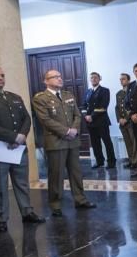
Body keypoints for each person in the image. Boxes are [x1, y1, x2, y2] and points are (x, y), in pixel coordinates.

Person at [0, 66, 45, 233]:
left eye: (2, 75)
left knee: (22, 183)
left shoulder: (14, 97)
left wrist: (21, 136)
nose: (0, 78)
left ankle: (27, 212)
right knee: (0, 187)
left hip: (18, 148)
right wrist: (12, 137)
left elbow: (26, 118)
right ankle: (1, 219)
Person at [31, 69, 96, 216]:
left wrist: (73, 130)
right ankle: (55, 204)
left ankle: (80, 199)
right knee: (56, 174)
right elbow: (45, 120)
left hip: (72, 141)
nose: (60, 79)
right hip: (56, 141)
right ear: (46, 81)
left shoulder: (68, 95)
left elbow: (77, 115)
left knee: (76, 172)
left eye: (60, 76)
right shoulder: (40, 98)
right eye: (55, 77)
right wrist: (66, 131)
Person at [82, 72, 116, 169]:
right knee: (95, 143)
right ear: (90, 79)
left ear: (99, 79)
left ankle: (111, 161)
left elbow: (103, 106)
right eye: (92, 78)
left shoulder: (105, 91)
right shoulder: (88, 91)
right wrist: (86, 115)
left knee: (107, 142)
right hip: (90, 122)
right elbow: (84, 105)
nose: (93, 79)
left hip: (101, 121)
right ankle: (99, 161)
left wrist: (92, 116)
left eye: (95, 78)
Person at [115, 73, 137, 170]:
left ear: (128, 80)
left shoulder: (133, 91)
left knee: (134, 143)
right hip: (122, 123)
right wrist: (119, 119)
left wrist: (126, 118)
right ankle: (131, 160)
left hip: (130, 122)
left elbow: (133, 107)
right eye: (120, 79)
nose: (122, 81)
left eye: (124, 79)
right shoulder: (119, 93)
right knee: (127, 143)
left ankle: (136, 161)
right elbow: (117, 108)